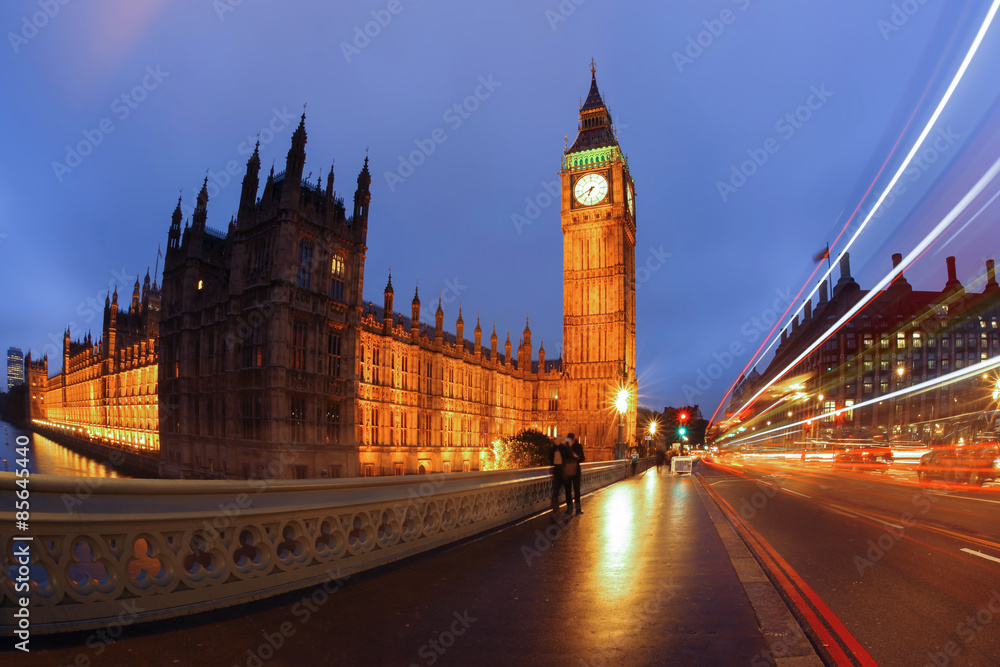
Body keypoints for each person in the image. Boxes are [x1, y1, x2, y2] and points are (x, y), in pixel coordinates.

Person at [550, 437, 573, 517]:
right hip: (558, 473)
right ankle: (556, 510)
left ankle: (568, 509)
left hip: (564, 473)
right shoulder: (553, 449)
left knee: (566, 492)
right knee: (557, 492)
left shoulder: (563, 449)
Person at [567, 433, 585, 514]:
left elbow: (582, 458)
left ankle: (578, 509)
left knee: (576, 490)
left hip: (576, 472)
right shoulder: (565, 447)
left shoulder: (578, 446)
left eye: (570, 440)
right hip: (568, 471)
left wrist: (576, 456)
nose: (569, 441)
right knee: (568, 491)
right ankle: (569, 509)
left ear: (573, 440)